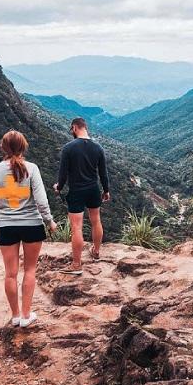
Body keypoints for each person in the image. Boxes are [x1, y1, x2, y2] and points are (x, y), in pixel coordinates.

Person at [0, 130, 57, 328]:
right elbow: (41, 200)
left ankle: (16, 315)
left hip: (6, 226)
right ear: (23, 147)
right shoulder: (32, 168)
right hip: (32, 225)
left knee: (10, 274)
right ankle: (27, 315)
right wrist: (49, 221)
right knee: (30, 269)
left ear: (3, 148)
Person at [53, 117, 110, 275]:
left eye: (71, 129)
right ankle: (96, 252)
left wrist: (59, 187)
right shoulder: (98, 148)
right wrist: (106, 190)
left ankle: (77, 265)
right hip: (93, 189)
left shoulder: (69, 148)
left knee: (76, 227)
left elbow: (63, 174)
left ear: (75, 127)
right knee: (96, 221)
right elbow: (103, 173)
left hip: (77, 190)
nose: (71, 132)